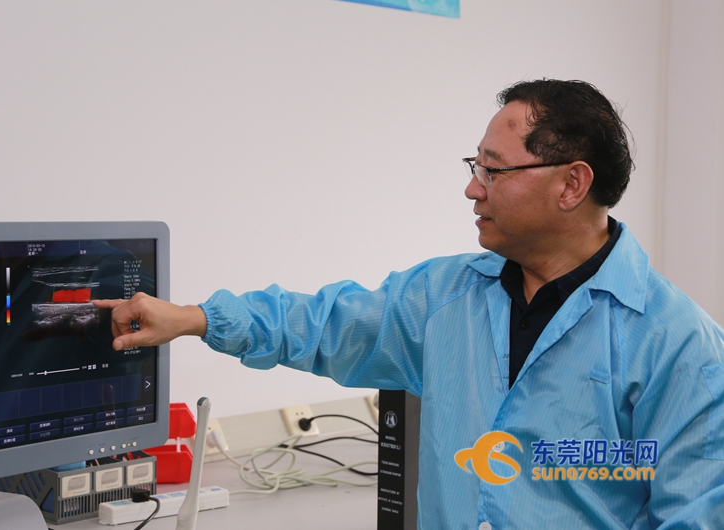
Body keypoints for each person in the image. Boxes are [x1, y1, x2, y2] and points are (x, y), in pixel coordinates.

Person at [95, 79, 724, 528]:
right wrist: (197, 319)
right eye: (475, 165)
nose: (472, 188)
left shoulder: (678, 345)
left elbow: (694, 516)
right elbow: (325, 323)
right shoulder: (445, 298)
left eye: (494, 171)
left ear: (571, 184)